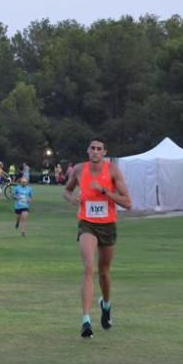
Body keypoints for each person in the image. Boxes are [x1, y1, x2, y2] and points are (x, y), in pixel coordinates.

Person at [62, 138, 132, 338]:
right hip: (87, 223)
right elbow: (66, 191)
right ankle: (86, 321)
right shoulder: (78, 170)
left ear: (104, 152)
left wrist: (106, 191)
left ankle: (106, 304)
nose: (95, 151)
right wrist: (71, 198)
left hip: (108, 225)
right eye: (92, 148)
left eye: (99, 149)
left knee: (104, 273)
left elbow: (128, 203)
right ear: (88, 151)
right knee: (88, 268)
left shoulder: (112, 171)